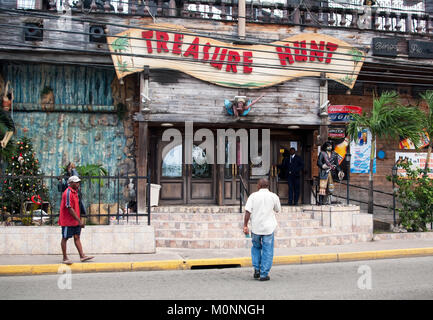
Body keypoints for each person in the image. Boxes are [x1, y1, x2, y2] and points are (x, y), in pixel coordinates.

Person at [243, 178, 281, 281]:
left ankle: (257, 269)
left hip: (256, 227)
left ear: (258, 186)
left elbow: (247, 212)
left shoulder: (253, 196)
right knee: (267, 250)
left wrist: (245, 225)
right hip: (268, 228)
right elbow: (277, 210)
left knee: (256, 247)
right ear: (268, 186)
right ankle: (264, 274)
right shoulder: (274, 196)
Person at [59, 175, 93, 265]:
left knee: (77, 237)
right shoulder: (68, 193)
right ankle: (65, 257)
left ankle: (82, 256)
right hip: (67, 220)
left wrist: (79, 218)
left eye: (78, 182)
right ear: (70, 183)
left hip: (75, 220)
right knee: (65, 238)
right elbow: (69, 208)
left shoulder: (76, 192)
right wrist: (79, 220)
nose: (78, 184)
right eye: (76, 182)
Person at [317, 141, 344, 205]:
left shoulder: (334, 154)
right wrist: (323, 165)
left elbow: (337, 164)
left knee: (330, 187)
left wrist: (340, 170)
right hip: (323, 172)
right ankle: (321, 201)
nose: (329, 147)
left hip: (331, 173)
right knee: (322, 187)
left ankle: (328, 201)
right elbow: (318, 162)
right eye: (328, 146)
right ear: (325, 147)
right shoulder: (322, 153)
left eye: (330, 146)